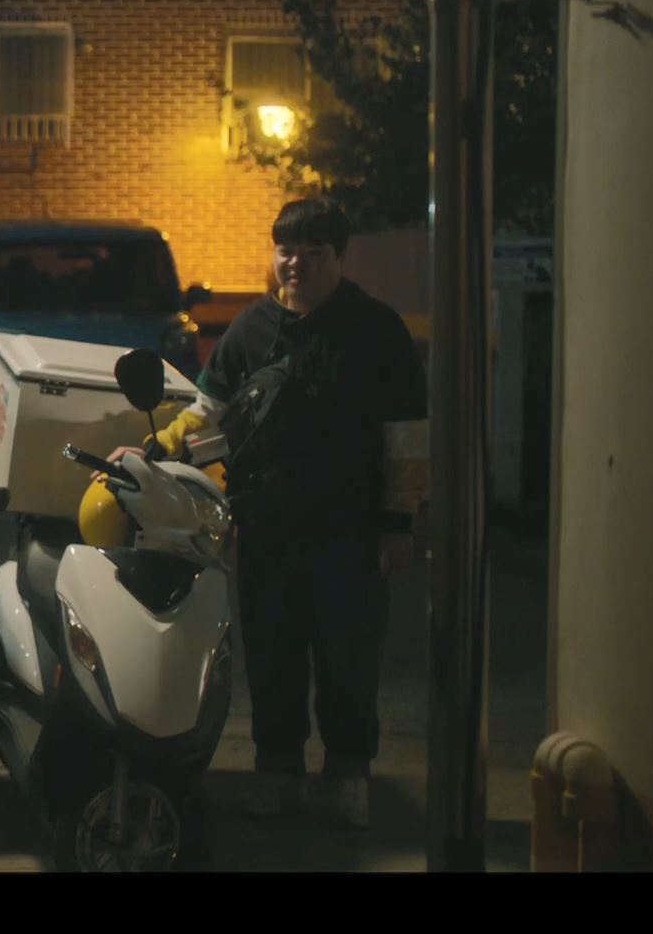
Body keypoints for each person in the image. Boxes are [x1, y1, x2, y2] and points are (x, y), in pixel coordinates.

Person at [117, 198, 428, 830]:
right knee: (272, 656)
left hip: (350, 532)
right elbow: (208, 412)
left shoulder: (376, 330)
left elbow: (407, 438)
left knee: (348, 659)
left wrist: (399, 523)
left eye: (314, 253)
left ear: (340, 257)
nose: (297, 265)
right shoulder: (252, 329)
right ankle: (278, 773)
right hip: (265, 526)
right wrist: (154, 449)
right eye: (287, 251)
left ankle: (348, 778)